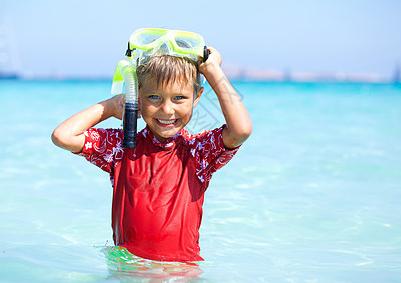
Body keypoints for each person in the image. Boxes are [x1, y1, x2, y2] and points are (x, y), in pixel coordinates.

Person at [51, 28, 252, 262]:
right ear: (137, 96)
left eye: (179, 98)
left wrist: (212, 70)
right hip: (129, 270)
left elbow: (241, 130)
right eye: (154, 97)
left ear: (196, 98)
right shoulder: (123, 148)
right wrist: (112, 106)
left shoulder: (198, 153)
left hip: (181, 273)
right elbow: (62, 136)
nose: (167, 110)